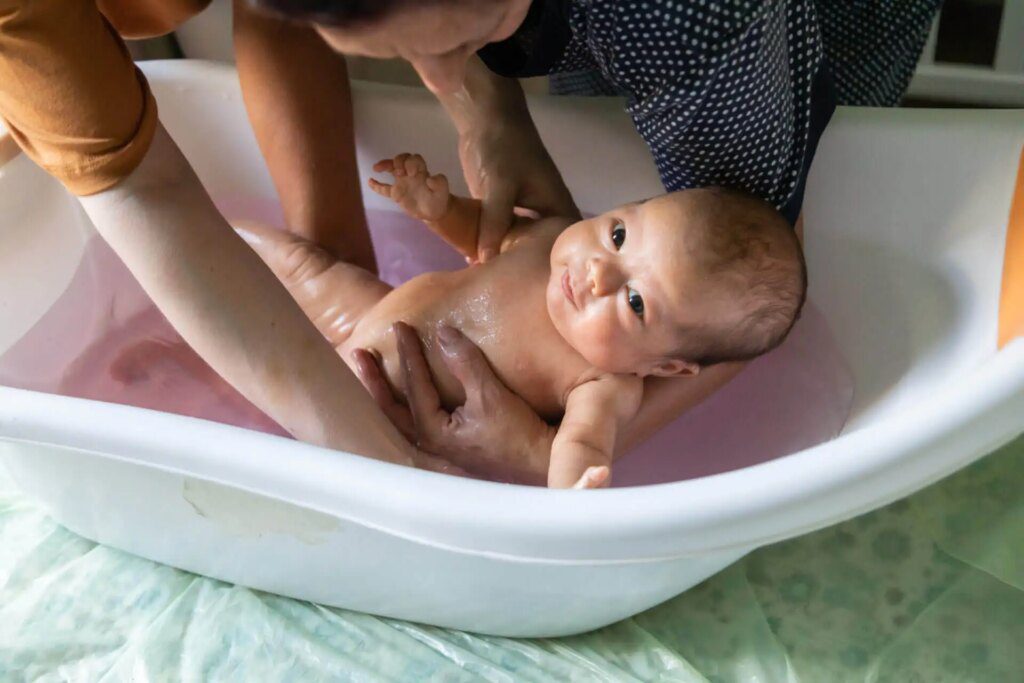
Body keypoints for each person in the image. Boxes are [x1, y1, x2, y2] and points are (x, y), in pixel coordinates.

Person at [234, 150, 805, 487]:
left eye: (635, 303)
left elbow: (577, 451)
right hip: (372, 312)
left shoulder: (602, 384)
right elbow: (486, 238)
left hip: (383, 415)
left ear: (669, 366)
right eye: (619, 235)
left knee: (276, 423)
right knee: (298, 264)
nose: (598, 273)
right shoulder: (552, 237)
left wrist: (577, 495)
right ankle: (204, 235)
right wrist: (440, 209)